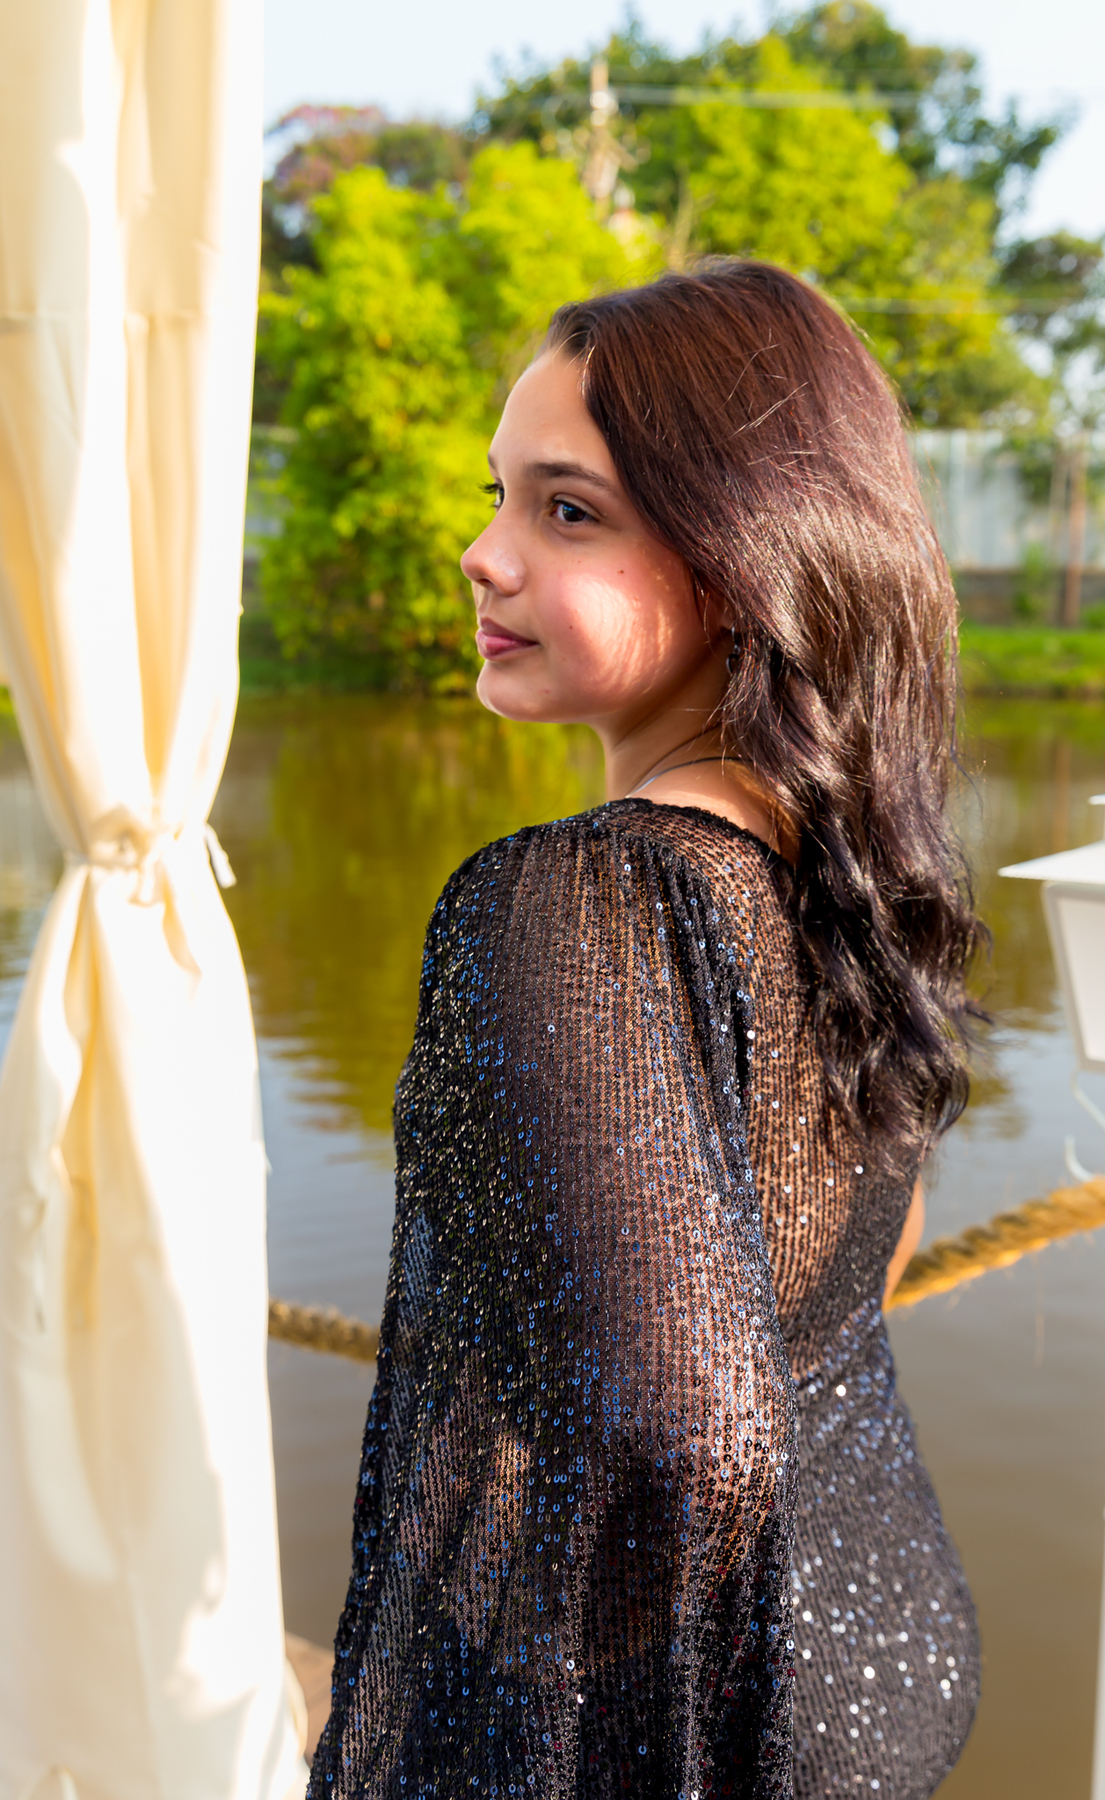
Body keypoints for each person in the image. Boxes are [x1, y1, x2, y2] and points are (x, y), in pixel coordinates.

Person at [310, 260, 982, 1799]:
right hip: (878, 1650)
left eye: (567, 512)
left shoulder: (576, 905)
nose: (482, 554)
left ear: (741, 558)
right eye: (497, 496)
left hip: (705, 1738)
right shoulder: (841, 883)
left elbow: (683, 1438)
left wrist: (528, 1705)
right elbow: (862, 1261)